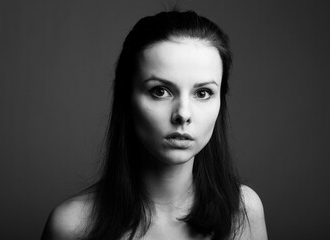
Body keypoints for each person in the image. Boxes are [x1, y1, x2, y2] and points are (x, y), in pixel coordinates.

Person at [41, 10, 267, 240]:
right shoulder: (71, 226)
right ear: (126, 97)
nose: (183, 114)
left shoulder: (243, 211)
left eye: (203, 93)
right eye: (160, 91)